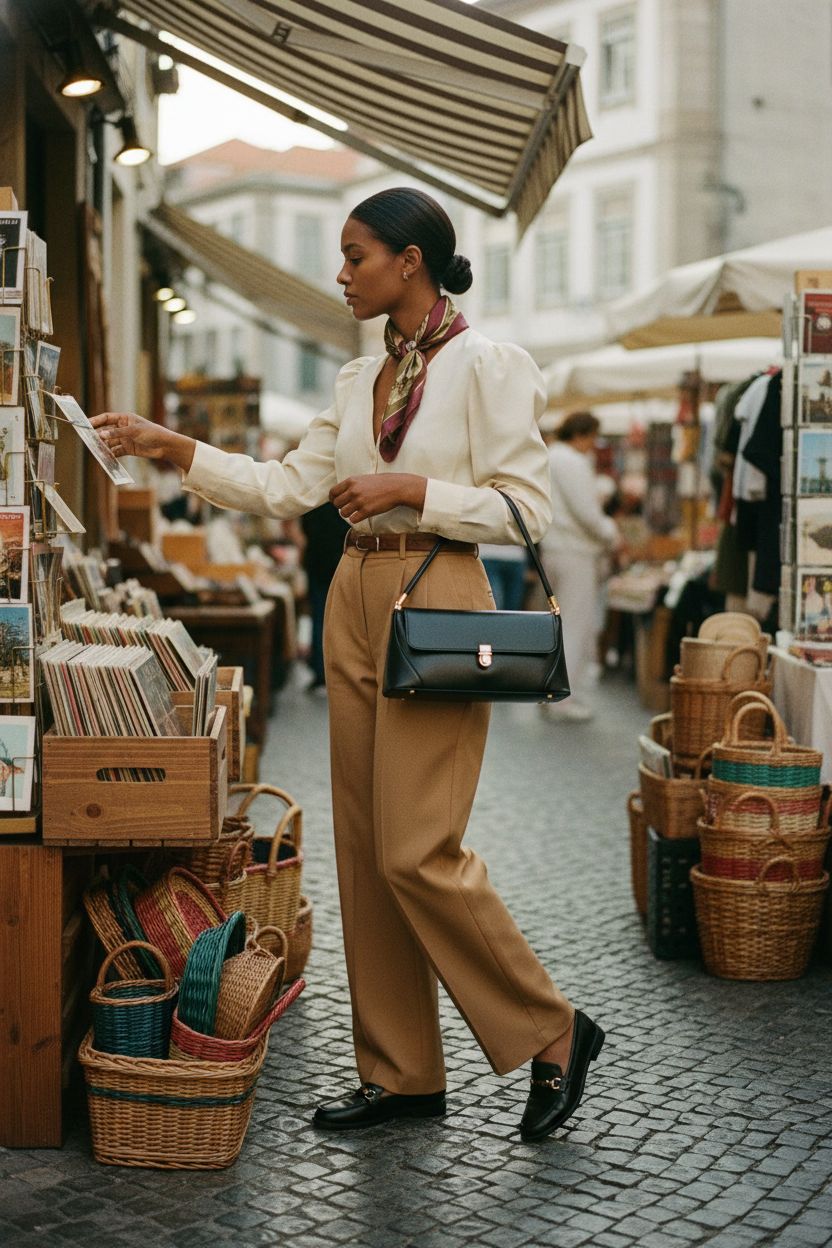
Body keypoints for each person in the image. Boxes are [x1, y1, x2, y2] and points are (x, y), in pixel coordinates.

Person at [92, 187, 604, 1141]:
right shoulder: (355, 379)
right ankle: (401, 1072)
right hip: (353, 603)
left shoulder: (490, 365)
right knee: (367, 853)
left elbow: (527, 510)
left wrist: (418, 488)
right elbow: (288, 488)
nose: (341, 273)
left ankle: (554, 1029)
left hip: (443, 594)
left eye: (355, 254)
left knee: (418, 849)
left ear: (409, 261)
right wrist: (174, 448)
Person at [539, 412, 620, 722]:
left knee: (562, 624)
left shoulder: (551, 457)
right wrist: (611, 533)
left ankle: (553, 692)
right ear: (583, 434)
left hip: (557, 548)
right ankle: (561, 698)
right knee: (575, 623)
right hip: (573, 551)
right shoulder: (570, 461)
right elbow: (586, 513)